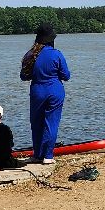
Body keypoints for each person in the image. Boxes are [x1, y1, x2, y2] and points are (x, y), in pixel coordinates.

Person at [22, 24, 70, 164]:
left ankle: (37, 155)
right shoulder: (57, 54)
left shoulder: (30, 55)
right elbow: (66, 76)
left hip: (37, 91)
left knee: (36, 124)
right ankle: (48, 156)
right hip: (55, 91)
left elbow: (24, 76)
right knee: (51, 123)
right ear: (51, 40)